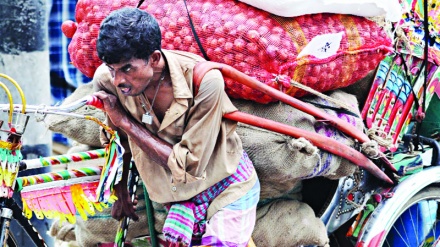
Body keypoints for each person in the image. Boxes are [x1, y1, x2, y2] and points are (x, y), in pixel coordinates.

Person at [92, 7, 260, 246]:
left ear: (154, 58)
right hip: (177, 200)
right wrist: (119, 191)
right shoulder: (107, 81)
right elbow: (115, 142)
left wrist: (125, 122)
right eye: (112, 69)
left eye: (127, 69)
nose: (119, 81)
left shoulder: (204, 82)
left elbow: (187, 167)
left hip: (226, 188)